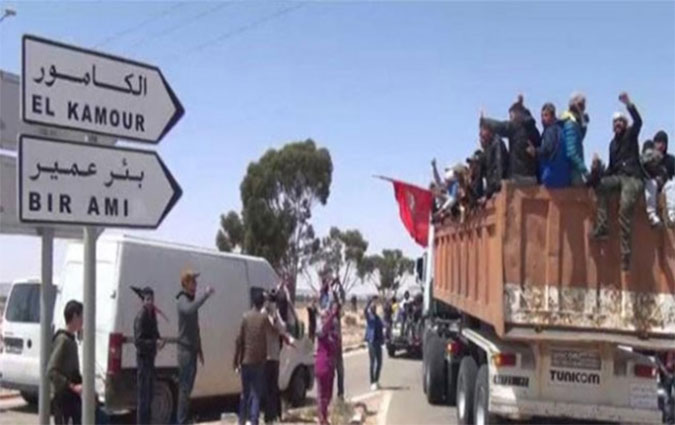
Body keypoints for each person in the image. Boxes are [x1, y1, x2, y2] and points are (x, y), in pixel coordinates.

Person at [590, 92, 643, 271]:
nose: (618, 124)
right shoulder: (612, 145)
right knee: (601, 187)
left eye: (621, 121)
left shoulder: (630, 135)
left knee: (624, 210)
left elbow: (639, 122)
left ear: (625, 124)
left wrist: (629, 104)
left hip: (632, 178)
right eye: (615, 122)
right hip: (619, 177)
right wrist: (597, 169)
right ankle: (603, 227)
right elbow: (612, 168)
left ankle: (626, 255)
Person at [234, 290, 290, 425]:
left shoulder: (248, 317)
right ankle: (254, 420)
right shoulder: (263, 317)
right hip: (261, 360)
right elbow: (276, 329)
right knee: (256, 394)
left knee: (250, 393)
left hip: (255, 359)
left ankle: (245, 419)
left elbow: (239, 340)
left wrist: (236, 361)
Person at [176, 269, 215, 425]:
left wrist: (199, 349)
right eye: (193, 281)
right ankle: (181, 420)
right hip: (185, 351)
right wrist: (205, 295)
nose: (196, 284)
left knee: (188, 388)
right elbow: (189, 310)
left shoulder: (189, 299)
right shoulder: (182, 300)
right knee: (184, 389)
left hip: (191, 350)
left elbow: (195, 329)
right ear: (186, 283)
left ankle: (183, 419)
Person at [480, 95, 541, 184]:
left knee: (502, 187)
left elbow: (501, 126)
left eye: (511, 116)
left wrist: (484, 121)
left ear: (518, 114)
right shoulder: (534, 130)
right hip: (533, 176)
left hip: (518, 176)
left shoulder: (516, 127)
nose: (510, 119)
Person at [261, 290, 294, 425]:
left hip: (273, 356)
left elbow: (282, 328)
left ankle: (276, 414)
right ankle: (269, 416)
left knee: (273, 387)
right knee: (266, 388)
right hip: (264, 355)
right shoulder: (263, 313)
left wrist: (275, 316)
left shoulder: (275, 314)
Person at [48, 300, 83, 425]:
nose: (83, 321)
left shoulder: (71, 340)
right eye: (81, 317)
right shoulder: (63, 340)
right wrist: (72, 386)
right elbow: (52, 371)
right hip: (63, 398)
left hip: (72, 398)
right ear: (74, 316)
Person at [133, 286, 164, 425]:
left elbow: (155, 333)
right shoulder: (141, 316)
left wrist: (159, 340)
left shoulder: (152, 315)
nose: (150, 302)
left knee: (150, 396)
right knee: (143, 398)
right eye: (147, 299)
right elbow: (138, 341)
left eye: (151, 299)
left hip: (151, 360)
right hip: (143, 360)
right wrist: (153, 343)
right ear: (143, 301)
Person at [527, 103, 571, 188]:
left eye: (546, 115)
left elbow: (547, 149)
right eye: (542, 116)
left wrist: (534, 151)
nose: (542, 119)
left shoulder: (550, 130)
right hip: (564, 177)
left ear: (553, 116)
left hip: (551, 176)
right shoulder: (560, 130)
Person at [315, 301, 340, 425]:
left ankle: (324, 416)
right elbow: (323, 328)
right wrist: (331, 315)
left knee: (328, 394)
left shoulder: (333, 334)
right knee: (322, 394)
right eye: (324, 316)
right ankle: (322, 419)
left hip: (330, 367)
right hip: (322, 365)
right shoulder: (321, 332)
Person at [560, 92, 590, 186]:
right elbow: (571, 152)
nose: (583, 108)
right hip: (572, 171)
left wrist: (582, 120)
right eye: (581, 105)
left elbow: (580, 137)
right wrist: (585, 171)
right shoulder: (570, 124)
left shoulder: (575, 123)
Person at [479, 122, 509, 200]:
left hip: (498, 188)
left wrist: (496, 189)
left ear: (489, 130)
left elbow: (499, 166)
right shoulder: (489, 145)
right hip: (493, 188)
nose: (480, 134)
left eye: (482, 131)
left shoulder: (497, 143)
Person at [641, 140, 666, 227]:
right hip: (643, 183)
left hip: (658, 189)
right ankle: (652, 216)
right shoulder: (641, 160)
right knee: (652, 183)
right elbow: (644, 161)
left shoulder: (660, 163)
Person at [653, 131, 675, 225]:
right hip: (652, 188)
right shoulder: (649, 158)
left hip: (666, 189)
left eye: (663, 143)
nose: (661, 145)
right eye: (658, 142)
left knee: (671, 184)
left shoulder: (671, 160)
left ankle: (672, 215)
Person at [364, 296, 384, 391]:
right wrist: (370, 300)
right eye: (372, 307)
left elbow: (381, 329)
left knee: (379, 362)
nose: (374, 308)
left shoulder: (378, 318)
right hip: (371, 342)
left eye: (374, 307)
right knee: (373, 362)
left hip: (378, 342)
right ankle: (372, 382)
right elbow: (365, 310)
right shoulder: (369, 318)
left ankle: (376, 380)